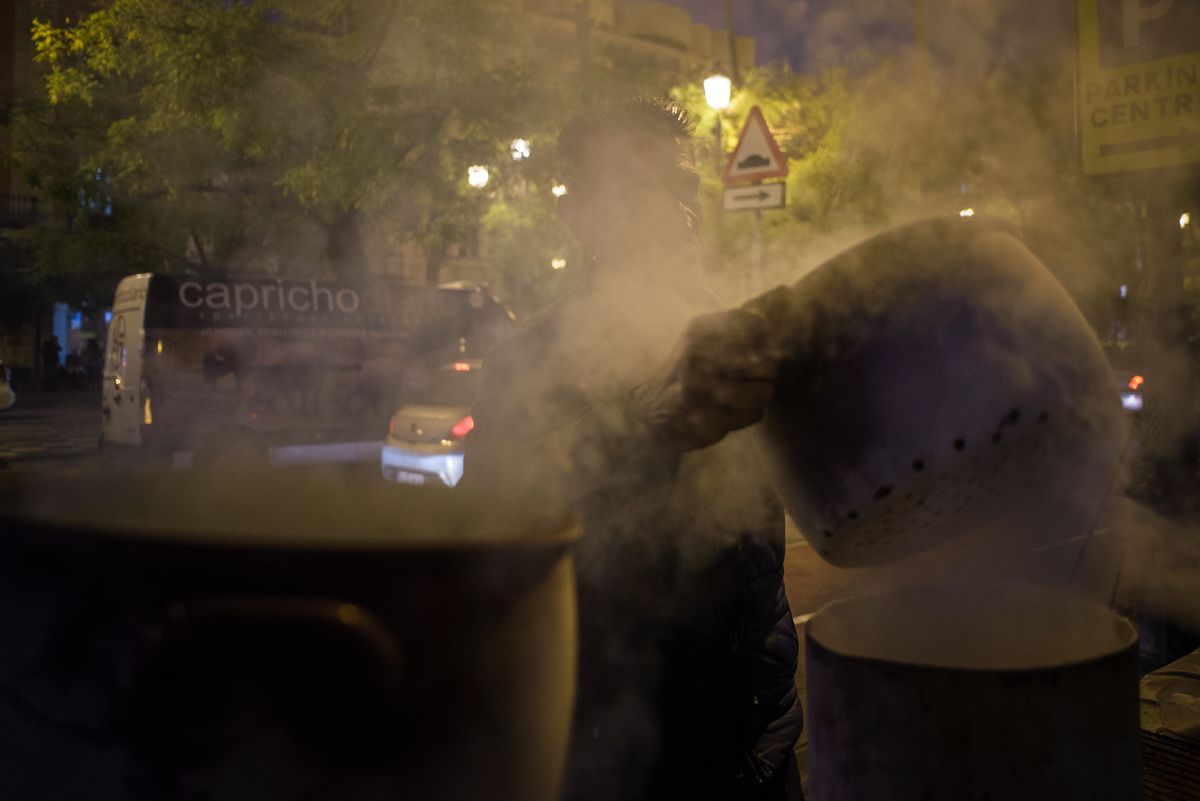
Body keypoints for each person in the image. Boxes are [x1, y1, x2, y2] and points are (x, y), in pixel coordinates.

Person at [464, 98, 802, 801]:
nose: (677, 212)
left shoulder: (740, 331)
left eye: (683, 187)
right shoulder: (533, 359)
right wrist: (644, 431)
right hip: (610, 750)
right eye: (641, 190)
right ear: (579, 216)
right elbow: (496, 527)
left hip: (754, 745)